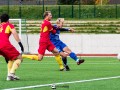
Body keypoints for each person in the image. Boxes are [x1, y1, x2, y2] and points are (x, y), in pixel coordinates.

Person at [0, 14, 24, 81]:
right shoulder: (9, 25)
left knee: (10, 59)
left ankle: (9, 76)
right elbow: (14, 33)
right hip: (4, 44)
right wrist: (20, 43)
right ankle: (12, 73)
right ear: (8, 20)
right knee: (20, 58)